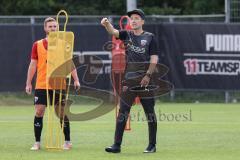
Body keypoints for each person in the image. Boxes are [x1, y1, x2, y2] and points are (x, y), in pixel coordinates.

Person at [101, 9, 159, 153]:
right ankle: (116, 145)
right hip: (129, 80)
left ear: (142, 21)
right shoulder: (127, 34)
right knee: (123, 112)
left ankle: (152, 145)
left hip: (146, 80)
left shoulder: (150, 37)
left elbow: (154, 58)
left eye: (136, 18)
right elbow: (113, 32)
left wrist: (148, 75)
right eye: (131, 18)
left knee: (149, 112)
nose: (133, 20)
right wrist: (106, 24)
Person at [25, 17, 80, 151]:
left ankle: (67, 141)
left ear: (58, 28)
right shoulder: (37, 44)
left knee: (61, 113)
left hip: (58, 83)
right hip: (41, 84)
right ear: (45, 28)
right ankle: (37, 142)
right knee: (39, 111)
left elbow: (69, 63)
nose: (53, 28)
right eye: (50, 26)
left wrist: (76, 79)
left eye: (55, 26)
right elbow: (33, 64)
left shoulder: (64, 44)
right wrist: (28, 83)